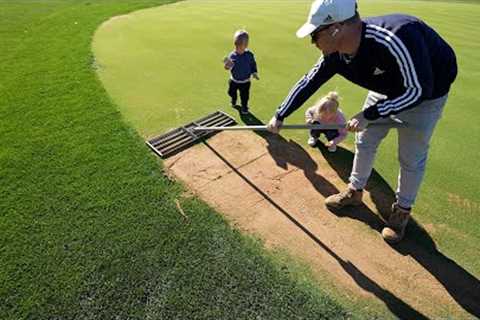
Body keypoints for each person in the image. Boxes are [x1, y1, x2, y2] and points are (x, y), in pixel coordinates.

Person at [266, 0, 457, 243]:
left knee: (411, 156)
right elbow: (309, 81)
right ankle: (354, 192)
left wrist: (369, 115)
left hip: (426, 95)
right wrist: (280, 115)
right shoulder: (334, 54)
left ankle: (401, 212)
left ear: (336, 29)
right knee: (364, 139)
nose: (313, 42)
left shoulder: (395, 38)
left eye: (315, 35)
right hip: (387, 88)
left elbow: (417, 90)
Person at [224, 29, 260, 115]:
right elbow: (227, 67)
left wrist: (254, 72)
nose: (238, 49)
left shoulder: (249, 55)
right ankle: (233, 98)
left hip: (245, 82)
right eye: (236, 46)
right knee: (230, 92)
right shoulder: (232, 55)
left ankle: (244, 107)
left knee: (245, 97)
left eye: (240, 47)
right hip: (234, 80)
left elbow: (253, 64)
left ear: (246, 45)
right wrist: (227, 66)